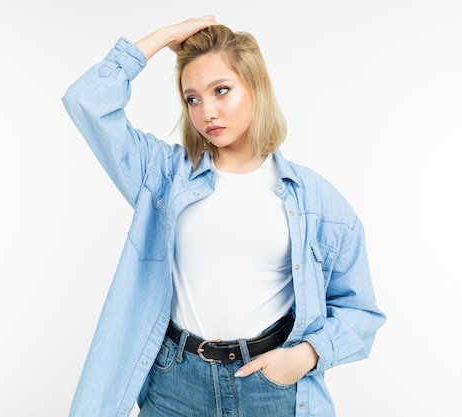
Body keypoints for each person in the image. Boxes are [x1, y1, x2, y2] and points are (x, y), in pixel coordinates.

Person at [61, 15, 385, 417]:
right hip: (175, 385)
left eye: (221, 90)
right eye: (192, 98)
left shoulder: (316, 201)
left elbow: (360, 310)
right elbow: (86, 102)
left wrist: (305, 356)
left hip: (272, 387)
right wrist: (163, 38)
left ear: (256, 87)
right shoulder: (164, 176)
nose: (207, 112)